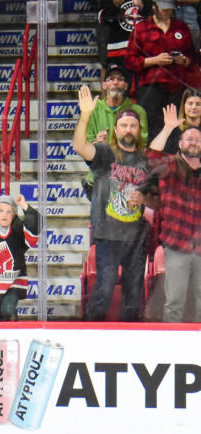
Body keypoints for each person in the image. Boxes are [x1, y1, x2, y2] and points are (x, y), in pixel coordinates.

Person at [74, 85, 150, 322]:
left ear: (138, 130)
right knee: (104, 291)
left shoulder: (146, 160)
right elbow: (79, 147)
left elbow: (156, 198)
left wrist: (146, 199)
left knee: (133, 296)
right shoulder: (105, 153)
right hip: (108, 235)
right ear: (115, 129)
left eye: (133, 125)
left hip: (136, 237)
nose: (128, 129)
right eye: (124, 125)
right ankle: (89, 336)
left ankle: (130, 340)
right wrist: (86, 115)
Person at [147, 108, 201, 322]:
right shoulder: (170, 165)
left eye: (198, 139)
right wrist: (168, 127)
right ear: (180, 144)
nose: (194, 142)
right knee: (174, 304)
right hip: (177, 246)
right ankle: (172, 356)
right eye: (189, 138)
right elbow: (151, 158)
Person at [125, 0, 194, 142]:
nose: (167, 11)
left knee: (177, 128)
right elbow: (130, 60)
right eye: (163, 9)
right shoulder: (141, 28)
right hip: (151, 86)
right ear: (154, 7)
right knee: (150, 127)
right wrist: (154, 60)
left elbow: (193, 57)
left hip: (176, 86)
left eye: (169, 9)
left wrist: (183, 60)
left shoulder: (181, 27)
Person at [83, 63, 148, 198]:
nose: (115, 82)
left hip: (127, 179)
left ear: (126, 86)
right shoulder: (93, 109)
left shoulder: (138, 111)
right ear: (104, 85)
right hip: (98, 179)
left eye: (120, 79)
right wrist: (97, 143)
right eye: (111, 79)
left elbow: (142, 145)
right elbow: (84, 144)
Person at [151, 87, 201, 155]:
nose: (194, 107)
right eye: (190, 103)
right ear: (184, 105)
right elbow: (153, 152)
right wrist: (167, 128)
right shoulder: (174, 128)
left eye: (198, 104)